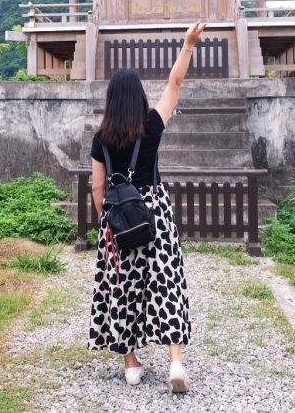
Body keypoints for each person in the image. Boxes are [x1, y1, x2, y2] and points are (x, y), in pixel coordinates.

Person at [88, 21, 206, 393]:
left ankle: (132, 365)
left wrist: (106, 221)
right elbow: (174, 85)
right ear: (139, 97)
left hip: (119, 218)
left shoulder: (101, 137)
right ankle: (175, 361)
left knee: (123, 288)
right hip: (153, 211)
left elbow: (97, 185)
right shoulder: (151, 125)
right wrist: (188, 44)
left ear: (111, 100)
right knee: (165, 282)